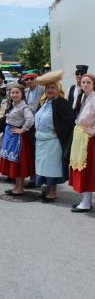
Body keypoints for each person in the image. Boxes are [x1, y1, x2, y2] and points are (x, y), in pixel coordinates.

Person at [34, 70, 75, 202]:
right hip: (41, 140)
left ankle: (52, 192)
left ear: (58, 89)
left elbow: (69, 120)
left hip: (52, 141)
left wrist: (60, 131)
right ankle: (45, 190)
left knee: (51, 167)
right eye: (48, 87)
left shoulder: (61, 102)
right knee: (42, 166)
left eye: (53, 88)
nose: (50, 90)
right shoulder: (44, 102)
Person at [0, 84, 35, 195]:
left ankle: (20, 188)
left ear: (22, 94)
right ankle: (17, 186)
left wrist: (22, 130)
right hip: (11, 136)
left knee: (18, 163)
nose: (14, 94)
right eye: (12, 92)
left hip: (18, 139)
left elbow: (30, 119)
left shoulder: (23, 107)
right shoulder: (15, 105)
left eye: (17, 92)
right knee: (14, 162)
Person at [69, 73, 95, 213]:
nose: (85, 84)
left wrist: (94, 130)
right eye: (83, 82)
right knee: (84, 170)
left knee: (88, 171)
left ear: (93, 84)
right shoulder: (85, 97)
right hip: (80, 137)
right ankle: (86, 201)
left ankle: (86, 203)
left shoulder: (94, 98)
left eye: (88, 82)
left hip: (88, 140)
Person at [23, 69, 44, 188]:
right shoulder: (25, 91)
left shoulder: (43, 90)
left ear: (36, 79)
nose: (30, 81)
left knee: (39, 152)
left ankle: (39, 177)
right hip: (28, 125)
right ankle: (32, 177)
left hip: (40, 125)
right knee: (30, 152)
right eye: (27, 79)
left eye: (32, 78)